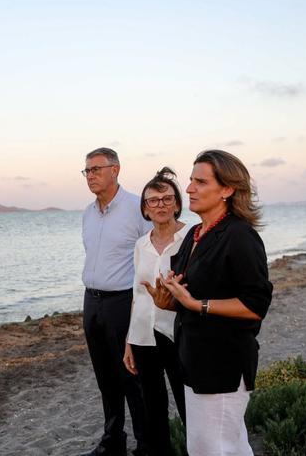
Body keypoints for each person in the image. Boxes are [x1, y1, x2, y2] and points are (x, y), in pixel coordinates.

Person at [146, 150, 273, 456]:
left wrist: (196, 304)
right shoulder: (196, 234)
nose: (189, 188)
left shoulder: (240, 236)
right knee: (222, 446)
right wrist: (171, 300)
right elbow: (190, 290)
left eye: (200, 182)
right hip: (194, 360)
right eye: (190, 180)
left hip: (223, 365)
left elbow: (255, 305)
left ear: (227, 189)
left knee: (213, 448)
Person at [80, 147, 152, 456]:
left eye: (96, 169)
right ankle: (113, 440)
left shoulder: (138, 208)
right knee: (104, 377)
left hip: (123, 301)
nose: (91, 176)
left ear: (115, 170)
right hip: (91, 302)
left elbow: (152, 256)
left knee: (130, 377)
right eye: (87, 171)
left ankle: (144, 445)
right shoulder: (87, 213)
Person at [123, 167, 189, 456]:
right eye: (153, 200)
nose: (160, 205)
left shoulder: (192, 237)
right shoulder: (140, 244)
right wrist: (128, 340)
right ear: (145, 209)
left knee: (190, 406)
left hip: (177, 334)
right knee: (153, 411)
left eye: (166, 199)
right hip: (142, 337)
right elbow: (137, 294)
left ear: (176, 203)